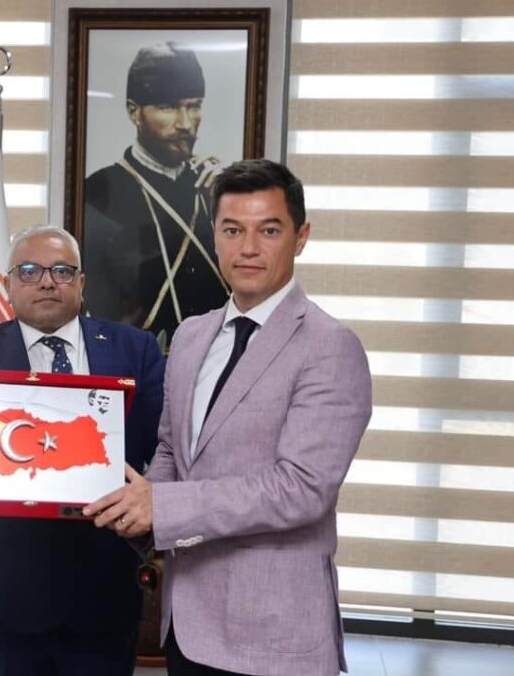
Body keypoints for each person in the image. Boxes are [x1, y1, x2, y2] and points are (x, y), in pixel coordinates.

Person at [85, 160, 373, 676]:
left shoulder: (330, 347)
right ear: (214, 235)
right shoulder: (192, 335)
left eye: (269, 230)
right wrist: (136, 509)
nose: (248, 248)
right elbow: (173, 449)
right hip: (187, 625)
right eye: (233, 230)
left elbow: (302, 489)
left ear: (301, 237)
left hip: (275, 635)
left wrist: (162, 506)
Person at [0, 225, 165, 675]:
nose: (47, 282)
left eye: (62, 271)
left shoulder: (136, 349)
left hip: (105, 576)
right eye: (29, 271)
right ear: (8, 285)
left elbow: (160, 449)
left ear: (81, 283)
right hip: (16, 579)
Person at [83, 42, 229, 349]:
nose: (185, 123)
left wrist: (227, 207)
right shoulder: (97, 193)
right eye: (168, 107)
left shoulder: (217, 190)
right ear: (134, 112)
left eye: (194, 106)